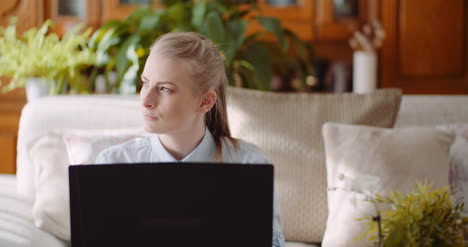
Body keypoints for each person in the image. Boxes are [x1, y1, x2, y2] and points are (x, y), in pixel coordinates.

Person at [95, 32, 285, 247]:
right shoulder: (112, 165)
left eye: (165, 88)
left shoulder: (249, 164)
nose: (146, 99)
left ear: (205, 101)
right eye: (145, 83)